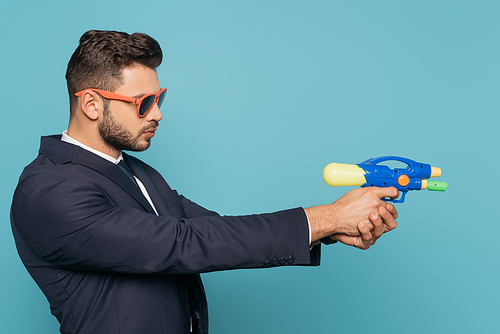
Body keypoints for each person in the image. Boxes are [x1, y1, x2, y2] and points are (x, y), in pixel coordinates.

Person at [10, 30, 399, 334]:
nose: (158, 114)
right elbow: (184, 244)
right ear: (92, 104)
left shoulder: (137, 172)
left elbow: (215, 230)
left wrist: (337, 224)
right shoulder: (48, 190)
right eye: (143, 102)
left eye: (160, 97)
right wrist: (328, 217)